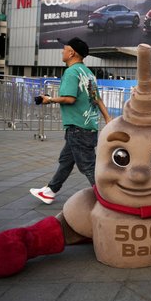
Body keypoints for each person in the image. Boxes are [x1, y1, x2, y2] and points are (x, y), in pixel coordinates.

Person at [30, 37, 111, 204]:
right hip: (88, 125)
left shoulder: (71, 72)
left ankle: (109, 200)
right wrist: (108, 119)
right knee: (66, 160)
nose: (62, 51)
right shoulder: (88, 73)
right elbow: (97, 100)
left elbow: (69, 99)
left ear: (72, 52)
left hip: (78, 126)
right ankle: (50, 190)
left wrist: (49, 99)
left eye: (64, 49)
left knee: (88, 167)